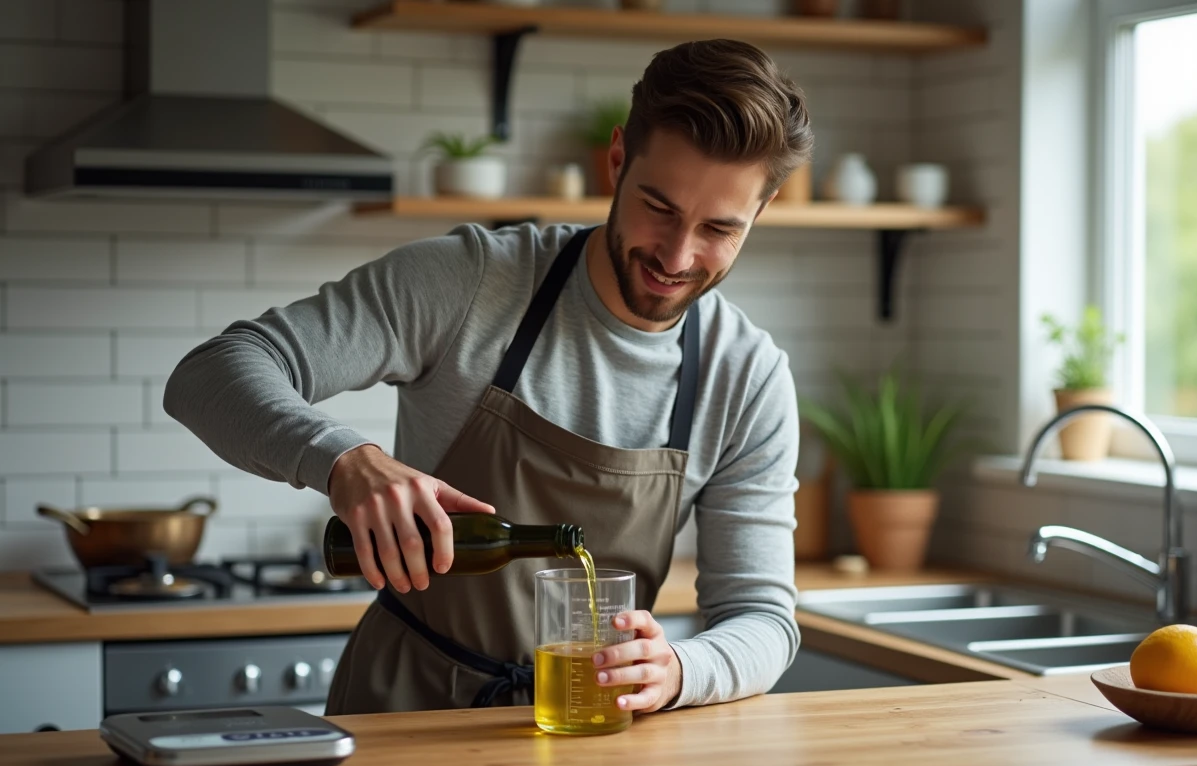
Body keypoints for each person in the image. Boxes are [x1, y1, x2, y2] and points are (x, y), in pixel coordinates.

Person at [164, 37, 814, 716]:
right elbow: (212, 372)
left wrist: (683, 667)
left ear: (761, 211)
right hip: (406, 715)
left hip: (591, 729)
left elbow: (763, 617)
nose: (678, 255)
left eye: (718, 227)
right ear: (618, 160)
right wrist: (344, 461)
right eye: (659, 207)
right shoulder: (469, 282)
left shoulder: (748, 378)